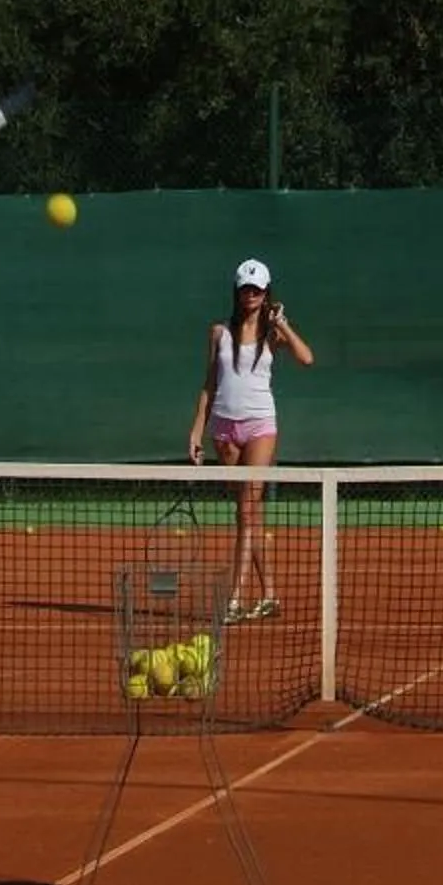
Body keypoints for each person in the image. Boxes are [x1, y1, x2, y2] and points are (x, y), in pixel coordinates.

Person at [184, 256, 314, 622]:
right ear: (237, 292)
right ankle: (270, 594)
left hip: (260, 426)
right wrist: (196, 431)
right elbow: (209, 385)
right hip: (224, 431)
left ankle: (236, 598)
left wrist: (283, 323)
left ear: (266, 293)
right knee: (249, 514)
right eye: (246, 289)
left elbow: (306, 358)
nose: (251, 295)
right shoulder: (219, 333)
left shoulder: (273, 334)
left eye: (257, 290)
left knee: (245, 510)